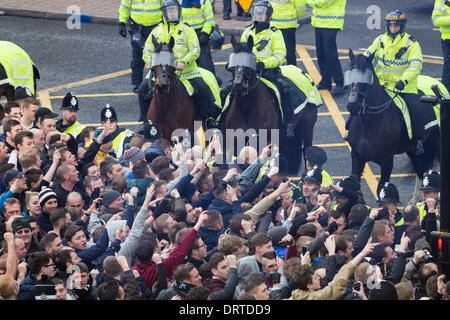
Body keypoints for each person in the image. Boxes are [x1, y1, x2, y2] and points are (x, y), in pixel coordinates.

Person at [139, 0, 221, 126]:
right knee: (142, 89)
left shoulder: (187, 30)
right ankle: (145, 120)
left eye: (174, 11)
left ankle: (209, 118)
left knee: (203, 89)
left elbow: (195, 50)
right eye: (169, 11)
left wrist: (184, 61)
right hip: (160, 72)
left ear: (179, 12)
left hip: (187, 72)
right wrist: (151, 63)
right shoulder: (156, 31)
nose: (172, 14)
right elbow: (147, 51)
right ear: (165, 14)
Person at [364, 10, 426, 156]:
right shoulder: (380, 40)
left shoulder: (411, 43)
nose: (393, 29)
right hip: (383, 85)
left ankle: (417, 141)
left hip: (403, 87)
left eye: (396, 26)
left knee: (415, 109)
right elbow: (367, 55)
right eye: (391, 26)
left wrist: (403, 80)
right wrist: (359, 61)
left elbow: (416, 66)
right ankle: (351, 130)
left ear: (402, 26)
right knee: (360, 101)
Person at [240, 0, 295, 137]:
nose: (259, 16)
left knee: (284, 89)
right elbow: (240, 51)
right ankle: (222, 121)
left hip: (268, 72)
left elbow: (281, 56)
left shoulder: (275, 33)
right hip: (248, 72)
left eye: (262, 13)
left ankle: (288, 123)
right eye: (257, 13)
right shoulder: (247, 32)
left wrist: (264, 63)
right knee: (230, 90)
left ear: (268, 16)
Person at [118, 0, 163, 93]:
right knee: (137, 56)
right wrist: (121, 22)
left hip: (156, 26)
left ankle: (158, 82)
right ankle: (138, 84)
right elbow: (125, 5)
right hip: (137, 27)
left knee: (158, 55)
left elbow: (165, 5)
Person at [306, 0, 347, 96]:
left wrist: (309, 1)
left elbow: (322, 2)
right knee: (321, 54)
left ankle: (339, 83)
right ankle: (326, 81)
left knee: (330, 55)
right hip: (320, 22)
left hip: (330, 23)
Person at [180, 0, 217, 77]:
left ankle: (213, 83)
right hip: (186, 34)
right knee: (187, 63)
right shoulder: (180, 1)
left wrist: (205, 33)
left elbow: (209, 19)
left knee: (205, 64)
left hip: (200, 34)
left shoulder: (203, 1)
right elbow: (178, 19)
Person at [269, 0, 306, 66]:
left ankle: (279, 73)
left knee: (277, 51)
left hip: (275, 24)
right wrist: (294, 16)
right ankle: (292, 72)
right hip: (288, 23)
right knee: (289, 52)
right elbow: (300, 7)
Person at [432, 0, 450, 92]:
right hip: (448, 40)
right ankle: (446, 99)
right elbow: (435, 20)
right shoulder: (441, 1)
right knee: (448, 72)